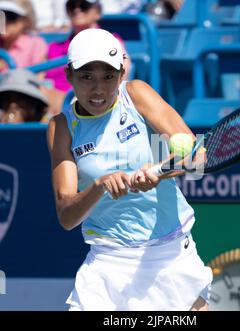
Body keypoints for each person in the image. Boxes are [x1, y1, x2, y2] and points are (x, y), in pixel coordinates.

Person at [47, 28, 212, 311]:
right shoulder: (61, 127)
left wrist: (158, 171)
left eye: (108, 76)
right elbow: (66, 216)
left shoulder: (137, 94)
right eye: (86, 77)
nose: (98, 89)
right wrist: (99, 186)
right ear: (69, 75)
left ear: (122, 74)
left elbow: (196, 156)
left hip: (170, 257)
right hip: (108, 263)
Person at [0, 0, 48, 71]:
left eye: (10, 16)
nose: (4, 21)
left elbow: (39, 77)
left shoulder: (36, 44)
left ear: (25, 20)